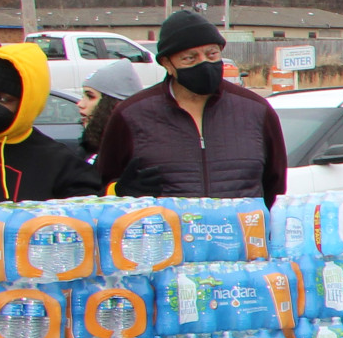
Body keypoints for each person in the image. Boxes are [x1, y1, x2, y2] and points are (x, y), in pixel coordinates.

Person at [93, 10, 287, 202]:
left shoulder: (257, 110)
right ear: (167, 64)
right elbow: (98, 187)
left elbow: (275, 187)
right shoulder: (131, 115)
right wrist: (119, 191)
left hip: (243, 231)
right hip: (167, 231)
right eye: (190, 58)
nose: (204, 64)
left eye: (212, 54)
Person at [0, 43, 103, 202]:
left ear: (27, 104)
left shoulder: (57, 163)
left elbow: (90, 210)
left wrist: (116, 192)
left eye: (3, 99)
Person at [76, 61, 135, 163]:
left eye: (90, 96)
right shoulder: (89, 146)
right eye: (83, 96)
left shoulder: (133, 154)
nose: (80, 104)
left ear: (112, 104)